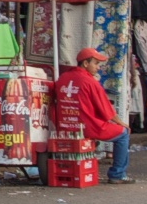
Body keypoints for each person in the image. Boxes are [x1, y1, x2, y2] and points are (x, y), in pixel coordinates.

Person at [56, 46, 131, 184]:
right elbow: (106, 110)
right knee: (123, 133)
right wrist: (121, 123)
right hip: (87, 127)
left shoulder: (63, 78)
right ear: (85, 63)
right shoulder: (90, 81)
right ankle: (117, 174)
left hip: (64, 126)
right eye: (96, 63)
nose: (98, 67)